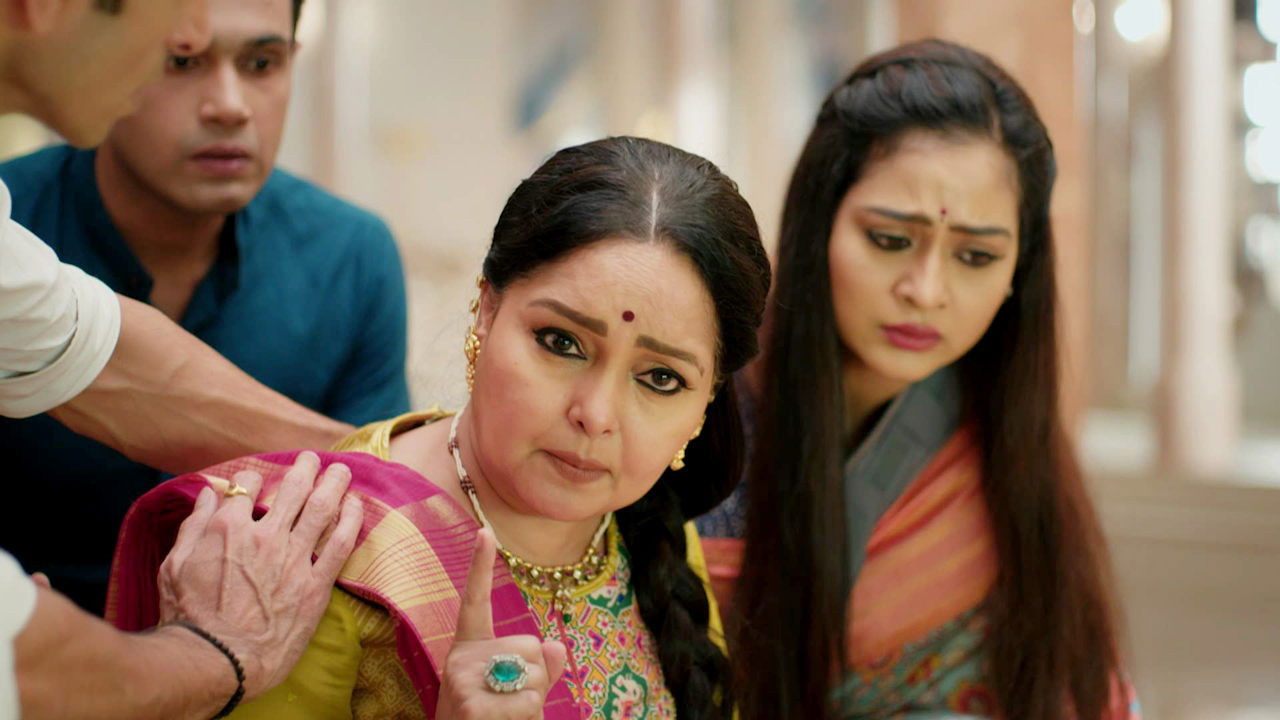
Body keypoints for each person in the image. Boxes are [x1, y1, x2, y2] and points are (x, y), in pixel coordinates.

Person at [108, 135, 773, 719]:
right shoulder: (327, 549)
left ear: (708, 400)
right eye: (561, 342)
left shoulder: (652, 532)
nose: (595, 416)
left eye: (660, 379)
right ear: (486, 310)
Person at [698, 40, 1141, 719]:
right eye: (889, 240)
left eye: (976, 255)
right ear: (819, 226)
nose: (926, 290)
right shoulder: (700, 425)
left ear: (1018, 272)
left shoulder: (1001, 441)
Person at [0, 0, 364, 716]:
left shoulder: (348, 252)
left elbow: (97, 358)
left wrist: (406, 466)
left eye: (261, 61)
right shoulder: (31, 205)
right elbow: (25, 668)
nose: (228, 104)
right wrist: (221, 653)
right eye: (180, 48)